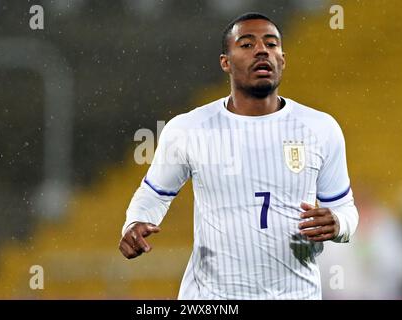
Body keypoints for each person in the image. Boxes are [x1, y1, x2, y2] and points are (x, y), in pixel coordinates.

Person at [119, 12, 359, 299]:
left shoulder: (321, 128)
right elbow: (155, 194)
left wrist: (339, 223)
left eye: (271, 44)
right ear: (226, 62)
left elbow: (345, 208)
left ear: (282, 59)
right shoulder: (188, 129)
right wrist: (134, 223)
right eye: (246, 44)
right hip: (211, 299)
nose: (261, 50)